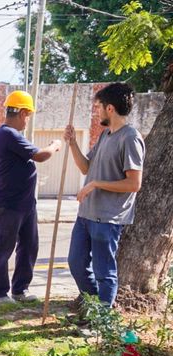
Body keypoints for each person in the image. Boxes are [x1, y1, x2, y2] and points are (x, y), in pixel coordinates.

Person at [63, 82, 144, 308]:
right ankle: (94, 307)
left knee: (104, 272)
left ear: (110, 108)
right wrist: (72, 143)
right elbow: (86, 168)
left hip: (108, 218)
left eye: (98, 106)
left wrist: (96, 184)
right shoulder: (105, 135)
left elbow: (134, 183)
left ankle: (101, 320)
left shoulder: (130, 138)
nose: (96, 111)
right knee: (76, 263)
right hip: (87, 214)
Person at [0, 90, 62, 304]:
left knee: (29, 246)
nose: (27, 120)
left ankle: (20, 290)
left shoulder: (14, 136)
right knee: (4, 246)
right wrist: (55, 146)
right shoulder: (6, 134)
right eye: (28, 115)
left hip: (25, 204)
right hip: (9, 203)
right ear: (21, 113)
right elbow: (40, 155)